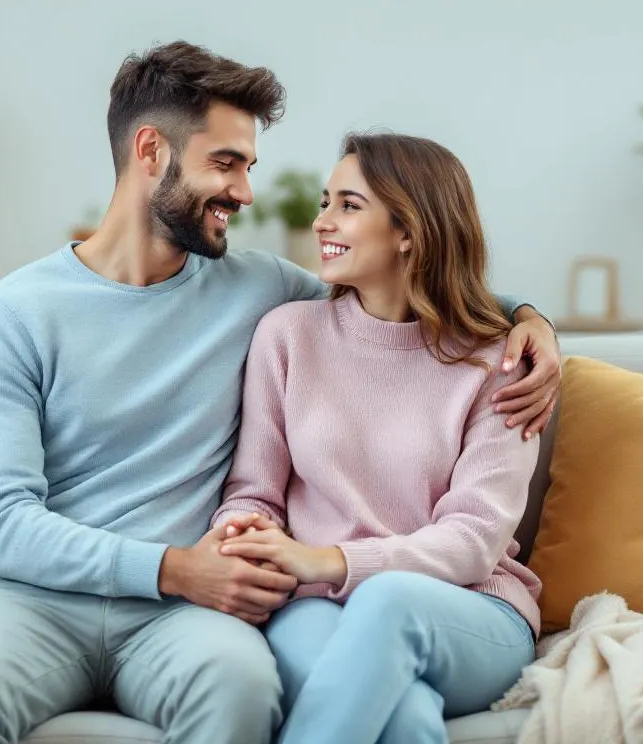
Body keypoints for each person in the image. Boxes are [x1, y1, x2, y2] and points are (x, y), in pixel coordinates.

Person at [0, 41, 560, 744]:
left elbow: (406, 302)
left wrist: (528, 319)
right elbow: (2, 524)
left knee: (244, 691)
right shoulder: (15, 312)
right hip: (37, 600)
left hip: (184, 620)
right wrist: (178, 568)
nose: (245, 192)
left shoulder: (261, 291)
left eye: (248, 167)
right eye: (225, 164)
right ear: (151, 151)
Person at [212, 132, 545, 744]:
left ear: (409, 231)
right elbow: (253, 490)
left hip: (468, 611)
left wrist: (329, 560)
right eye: (324, 201)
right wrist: (245, 533)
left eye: (348, 204)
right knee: (406, 716)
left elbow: (473, 539)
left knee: (388, 602)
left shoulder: (500, 361)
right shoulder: (287, 336)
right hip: (312, 606)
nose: (321, 222)